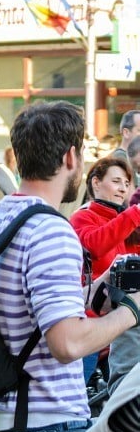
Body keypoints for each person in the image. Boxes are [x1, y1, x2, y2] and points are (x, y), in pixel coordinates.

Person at [0, 100, 140, 432]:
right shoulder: (51, 230)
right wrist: (130, 312)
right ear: (70, 157)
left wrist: (88, 297)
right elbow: (66, 344)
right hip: (44, 431)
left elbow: (15, 310)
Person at [71, 156, 140, 391]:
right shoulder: (83, 216)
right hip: (91, 324)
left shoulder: (125, 222)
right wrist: (134, 214)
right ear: (95, 183)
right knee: (77, 395)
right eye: (116, 181)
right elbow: (95, 245)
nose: (123, 188)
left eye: (126, 183)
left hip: (122, 326)